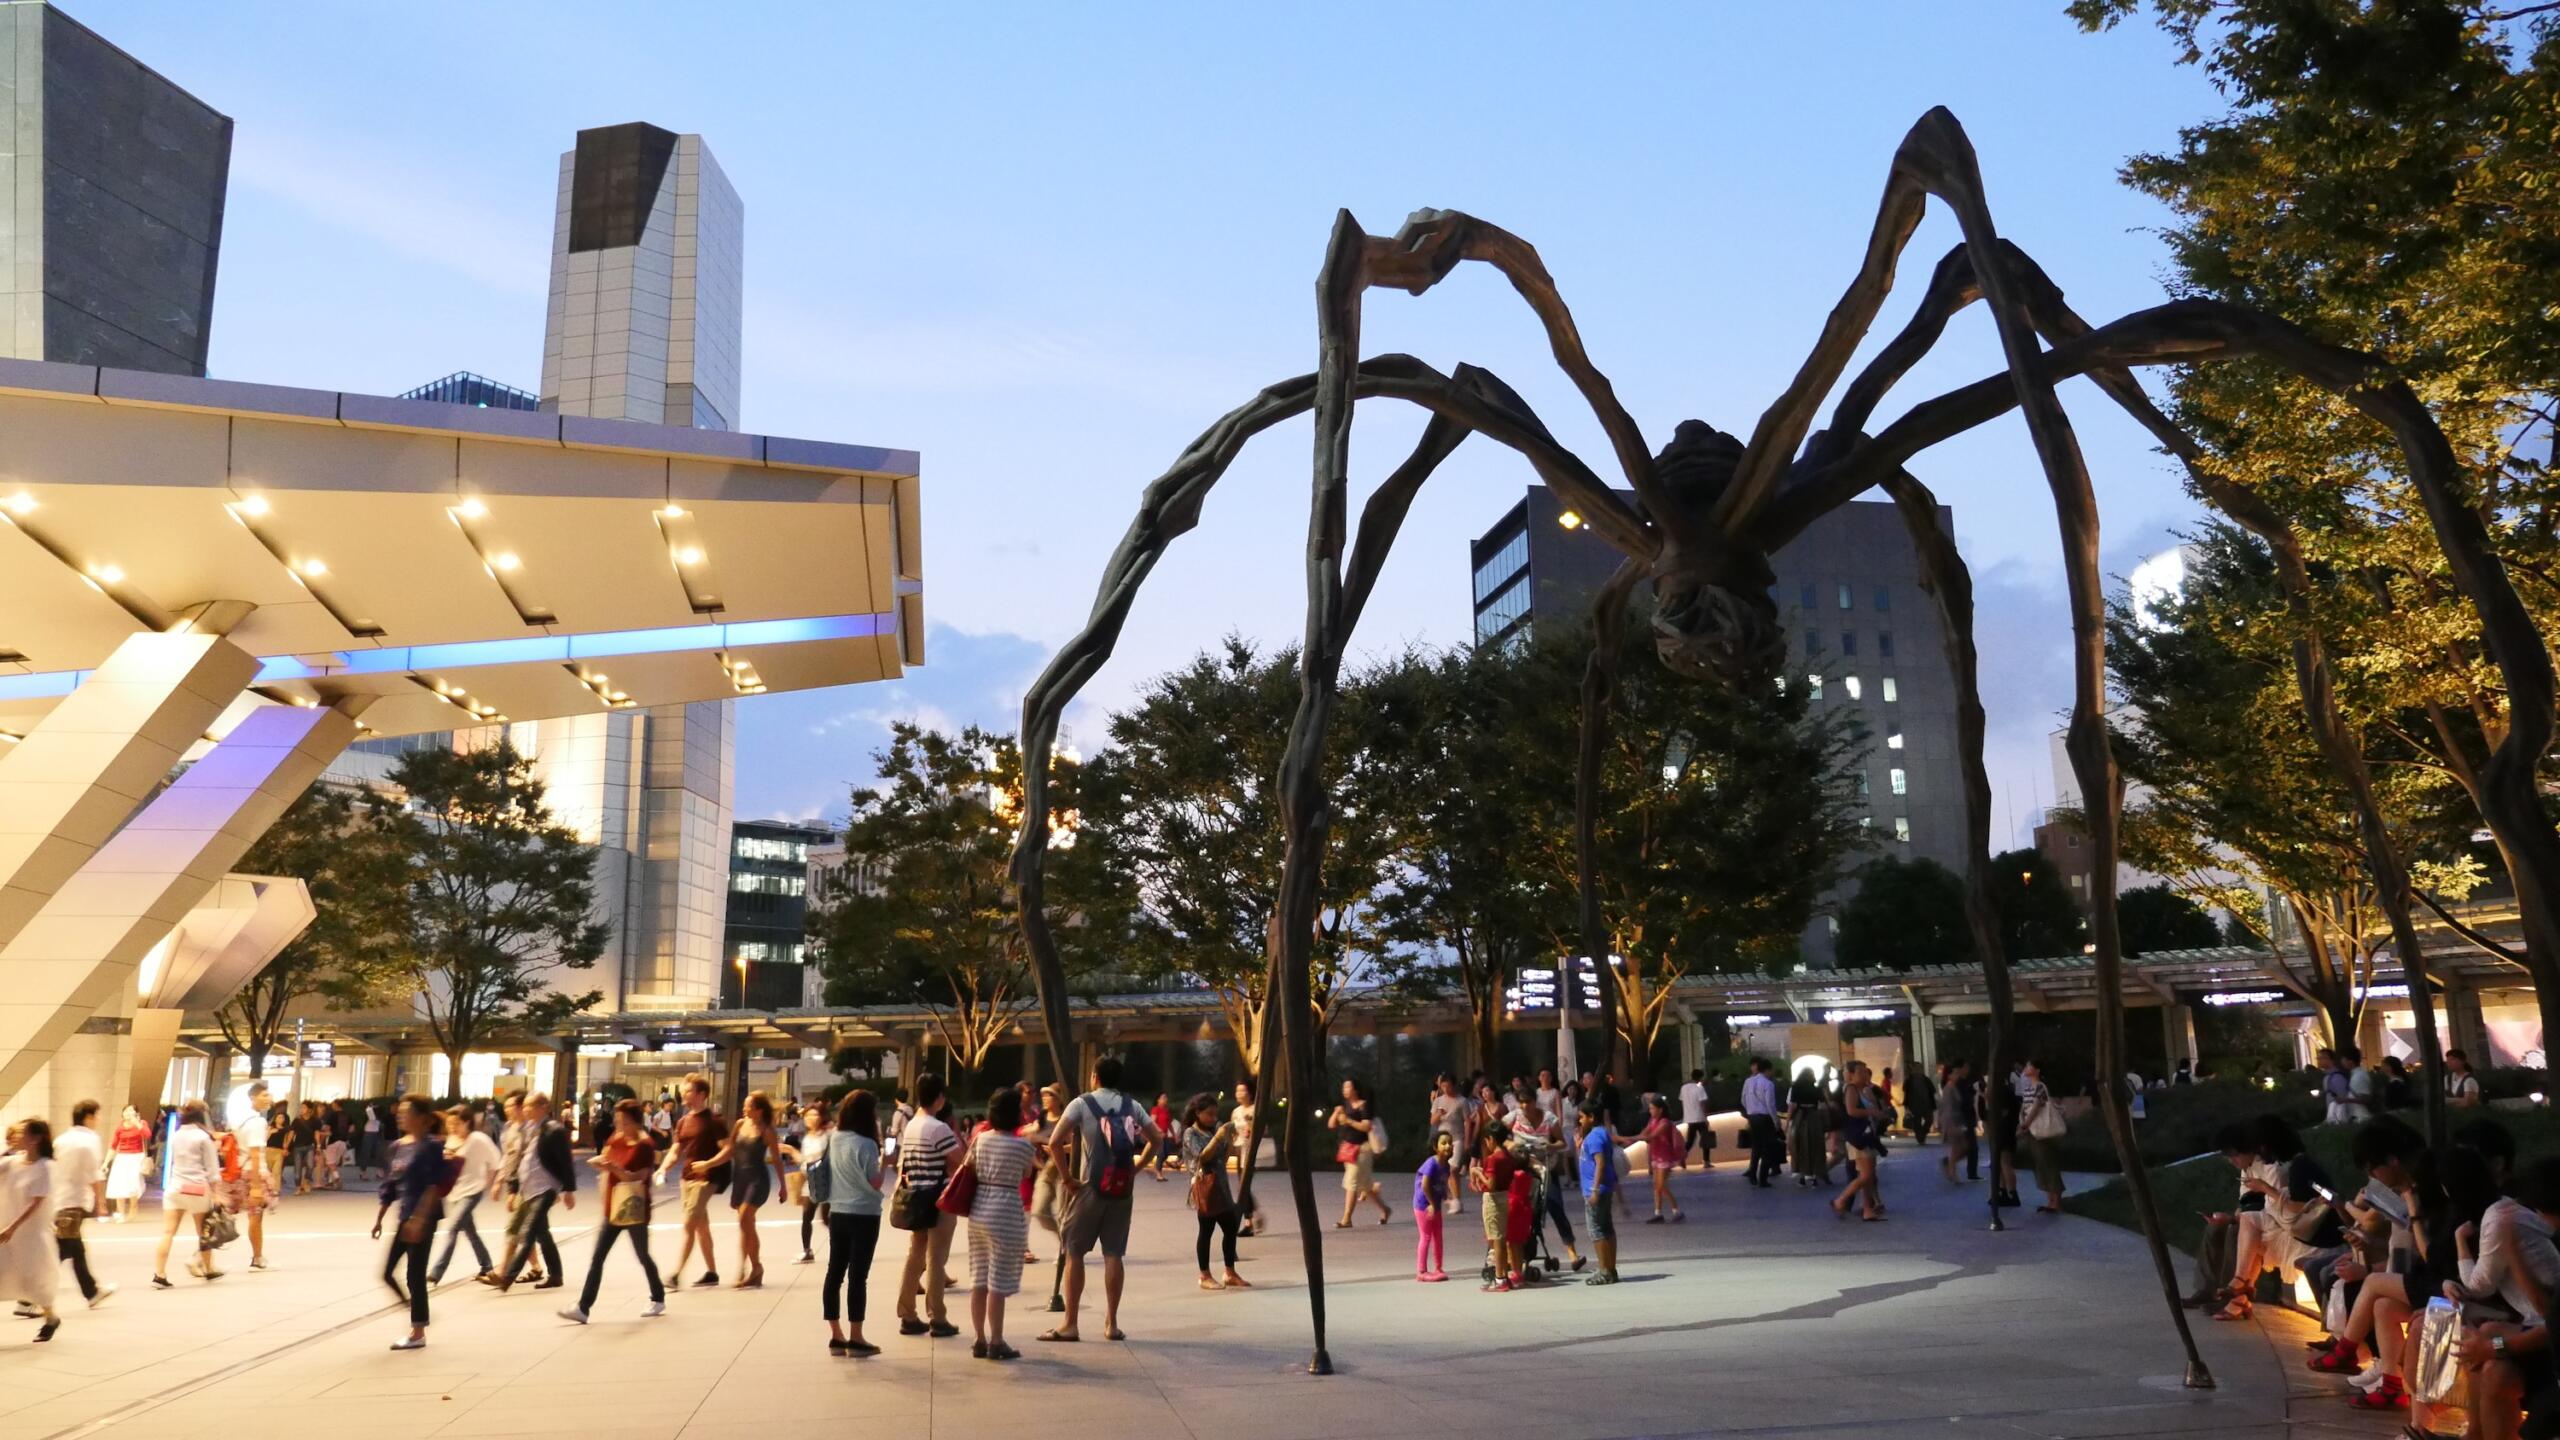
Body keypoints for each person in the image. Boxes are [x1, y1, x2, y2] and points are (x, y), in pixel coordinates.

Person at [1043, 1056, 1158, 1343]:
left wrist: (1068, 1178)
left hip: (1091, 1187)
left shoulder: (1082, 1104)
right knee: (1114, 1254)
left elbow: (1055, 1142)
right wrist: (1137, 1167)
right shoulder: (1133, 1106)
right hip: (1123, 1189)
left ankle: (1070, 1323)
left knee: (1075, 1251)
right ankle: (1112, 1323)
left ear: (1094, 1076)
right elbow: (1157, 1139)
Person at [560, 1098, 666, 1325]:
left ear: (637, 1122)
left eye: (624, 1122)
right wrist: (602, 1164)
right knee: (598, 1257)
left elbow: (639, 1177)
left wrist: (613, 1168)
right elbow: (607, 1155)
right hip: (613, 1205)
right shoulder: (616, 1139)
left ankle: (658, 1296)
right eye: (618, 1122)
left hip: (634, 1207)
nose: (620, 1126)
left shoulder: (645, 1145)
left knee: (642, 1255)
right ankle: (583, 1307)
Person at [371, 1096, 453, 1351]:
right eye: (400, 1111)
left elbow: (433, 1185)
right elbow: (390, 1185)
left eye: (406, 1112)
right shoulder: (398, 1146)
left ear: (421, 1118)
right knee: (387, 1273)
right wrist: (379, 1218)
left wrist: (419, 1219)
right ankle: (417, 1310)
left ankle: (418, 1331)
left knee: (415, 1274)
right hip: (405, 1215)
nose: (400, 1115)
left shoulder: (431, 1147)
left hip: (424, 1216)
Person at [964, 1088, 1037, 1361]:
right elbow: (1027, 1172)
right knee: (998, 1281)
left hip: (980, 1207)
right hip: (1006, 1208)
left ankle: (979, 1339)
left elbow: (968, 1167)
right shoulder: (1022, 1146)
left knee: (978, 1277)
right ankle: (997, 1340)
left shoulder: (980, 1139)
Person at [817, 1090, 885, 1355]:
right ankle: (857, 1337)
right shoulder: (866, 1144)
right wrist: (887, 1162)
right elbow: (874, 1182)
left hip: (838, 1213)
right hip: (865, 1214)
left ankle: (836, 1335)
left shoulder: (834, 1138)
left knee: (834, 1273)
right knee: (858, 1276)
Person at [893, 1074, 962, 1339]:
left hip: (916, 1199)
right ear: (940, 1098)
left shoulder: (911, 1125)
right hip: (939, 1199)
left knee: (915, 1256)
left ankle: (907, 1314)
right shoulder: (938, 1128)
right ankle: (938, 1317)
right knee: (936, 1259)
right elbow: (959, 1161)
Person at [495, 1092, 575, 1292]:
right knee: (542, 1233)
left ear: (544, 1107)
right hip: (528, 1188)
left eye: (531, 1106)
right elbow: (517, 1159)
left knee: (528, 1230)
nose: (526, 1109)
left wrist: (568, 1190)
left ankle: (508, 1276)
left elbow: (566, 1162)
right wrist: (513, 1186)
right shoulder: (526, 1129)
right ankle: (556, 1275)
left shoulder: (554, 1130)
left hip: (546, 1187)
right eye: (525, 1106)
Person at [657, 1075, 730, 1289]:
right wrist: (663, 1168)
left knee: (689, 1223)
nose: (683, 1094)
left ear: (701, 1095)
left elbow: (728, 1149)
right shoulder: (682, 1122)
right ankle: (712, 1272)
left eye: (688, 1091)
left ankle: (676, 1274)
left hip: (706, 1179)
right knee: (701, 1226)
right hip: (687, 1178)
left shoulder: (714, 1121)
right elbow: (676, 1150)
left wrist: (708, 1164)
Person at [700, 1090, 778, 1289]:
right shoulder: (740, 1124)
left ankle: (756, 1267)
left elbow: (777, 1159)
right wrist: (708, 1164)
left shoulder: (767, 1130)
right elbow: (729, 1150)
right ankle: (747, 1269)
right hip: (741, 1179)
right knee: (745, 1225)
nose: (744, 1109)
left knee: (745, 1217)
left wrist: (784, 1188)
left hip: (758, 1180)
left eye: (748, 1106)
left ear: (759, 1110)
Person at [425, 1107, 500, 1285]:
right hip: (453, 1193)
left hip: (472, 1191)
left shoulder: (478, 1139)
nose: (452, 1127)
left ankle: (436, 1272)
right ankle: (487, 1267)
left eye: (456, 1123)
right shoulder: (450, 1140)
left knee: (452, 1228)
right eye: (449, 1123)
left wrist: (493, 1182)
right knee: (471, 1233)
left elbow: (496, 1160)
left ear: (467, 1122)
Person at [0, 1120, 60, 1341]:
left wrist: (11, 1228)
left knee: (35, 1279)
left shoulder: (45, 1166)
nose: (17, 1136)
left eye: (22, 1133)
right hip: (7, 1232)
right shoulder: (13, 1161)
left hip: (31, 1234)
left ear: (35, 1139)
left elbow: (35, 1203)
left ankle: (51, 1318)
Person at [153, 1101, 223, 1285]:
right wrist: (217, 1194)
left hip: (175, 1187)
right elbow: (212, 1169)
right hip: (197, 1188)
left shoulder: (176, 1135)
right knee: (203, 1232)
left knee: (168, 1232)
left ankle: (159, 1274)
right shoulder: (203, 1137)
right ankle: (208, 1269)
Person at [48, 1101, 109, 1309]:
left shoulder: (61, 1140)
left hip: (60, 1199)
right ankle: (29, 1297)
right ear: (89, 1117)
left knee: (72, 1248)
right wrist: (101, 1203)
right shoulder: (90, 1141)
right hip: (75, 1201)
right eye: (97, 1115)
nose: (99, 1120)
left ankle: (91, 1291)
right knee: (65, 1249)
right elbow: (94, 1174)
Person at [1832, 1060, 1890, 1223]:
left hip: (1867, 1135)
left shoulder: (1863, 1090)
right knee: (1866, 1175)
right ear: (1850, 1075)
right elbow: (1851, 1110)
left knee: (1868, 1175)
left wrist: (1878, 1113)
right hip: (1858, 1136)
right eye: (1860, 1072)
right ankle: (1841, 1200)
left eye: (1865, 1072)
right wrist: (1870, 1111)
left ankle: (1867, 1209)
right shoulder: (1850, 1089)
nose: (1864, 1075)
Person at [1329, 1078, 1390, 1227]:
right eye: (1343, 1087)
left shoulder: (1364, 1106)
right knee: (1366, 1186)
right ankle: (1385, 1210)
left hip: (1362, 1150)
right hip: (1348, 1149)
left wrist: (1348, 1120)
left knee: (1351, 1182)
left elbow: (1366, 1127)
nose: (1344, 1090)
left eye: (1348, 1087)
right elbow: (1331, 1125)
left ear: (1355, 1090)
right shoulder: (1345, 1106)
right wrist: (1336, 1113)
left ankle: (1347, 1219)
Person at [1575, 1102, 1621, 1285]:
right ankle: (1610, 1268)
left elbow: (1600, 1163)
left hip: (1596, 1190)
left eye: (1582, 1117)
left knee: (1597, 1230)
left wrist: (1594, 1189)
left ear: (1592, 1117)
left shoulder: (1594, 1137)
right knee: (1606, 1228)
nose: (1579, 1120)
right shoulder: (1602, 1133)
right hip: (1605, 1188)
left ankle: (1604, 1270)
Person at [233, 1082, 275, 1270]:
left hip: (241, 1171)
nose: (269, 1098)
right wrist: (257, 1186)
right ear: (252, 1098)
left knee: (228, 1215)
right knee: (255, 1217)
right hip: (254, 1173)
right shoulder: (258, 1122)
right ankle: (257, 1257)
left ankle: (202, 1254)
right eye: (264, 1095)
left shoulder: (240, 1120)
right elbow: (256, 1154)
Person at [2018, 1060, 2066, 1215]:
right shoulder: (2027, 1088)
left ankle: (2056, 1201)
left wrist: (2025, 1124)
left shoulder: (2040, 1086)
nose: (2026, 1068)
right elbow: (2026, 1108)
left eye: (2029, 1066)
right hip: (2033, 1131)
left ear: (2037, 1070)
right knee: (2041, 1164)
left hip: (2042, 1131)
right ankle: (2050, 1199)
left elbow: (2037, 1107)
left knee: (2048, 1163)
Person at [1413, 1131, 1456, 1282]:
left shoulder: (1446, 1166)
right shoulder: (1431, 1163)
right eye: (1443, 1143)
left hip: (1434, 1204)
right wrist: (1431, 1204)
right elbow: (1425, 1185)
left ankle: (1438, 1267)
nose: (1448, 1146)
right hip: (1423, 1205)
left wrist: (1446, 1198)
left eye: (1450, 1143)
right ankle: (1422, 1271)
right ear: (1435, 1147)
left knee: (1438, 1236)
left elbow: (1442, 1183)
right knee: (1426, 1236)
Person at [795, 1103, 831, 1265]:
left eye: (815, 1115)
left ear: (822, 1117)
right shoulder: (807, 1138)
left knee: (827, 1219)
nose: (810, 1119)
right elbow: (804, 1161)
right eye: (808, 1116)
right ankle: (806, 1250)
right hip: (810, 1182)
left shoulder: (828, 1135)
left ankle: (848, 1245)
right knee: (806, 1217)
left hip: (826, 1182)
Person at [1639, 1096, 1685, 1223]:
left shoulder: (1664, 1123)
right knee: (1658, 1186)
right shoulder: (1652, 1121)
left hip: (1664, 1156)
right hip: (1656, 1155)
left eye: (1652, 1108)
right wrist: (1641, 1136)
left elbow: (1653, 1135)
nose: (1650, 1111)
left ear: (1660, 1109)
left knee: (1661, 1185)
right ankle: (1658, 1212)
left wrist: (1631, 1139)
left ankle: (1676, 1210)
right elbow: (1645, 1133)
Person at [1785, 1063, 1831, 1187]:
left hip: (1800, 1118)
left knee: (1800, 1146)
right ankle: (1816, 1175)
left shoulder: (1795, 1088)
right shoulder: (1816, 1089)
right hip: (1814, 1118)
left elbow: (1792, 1106)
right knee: (1816, 1146)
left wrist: (1788, 1123)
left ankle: (1803, 1176)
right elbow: (1824, 1104)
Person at [1738, 1058, 1780, 1188]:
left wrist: (1750, 1111)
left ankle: (1752, 1173)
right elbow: (1770, 1104)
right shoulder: (1768, 1084)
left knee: (1756, 1146)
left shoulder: (1748, 1081)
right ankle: (1763, 1178)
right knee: (1767, 1148)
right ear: (1767, 1069)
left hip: (1753, 1117)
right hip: (1765, 1118)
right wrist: (1776, 1121)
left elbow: (1743, 1099)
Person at [106, 1105, 148, 1223]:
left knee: (132, 1185)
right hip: (122, 1158)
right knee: (119, 1184)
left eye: (131, 1111)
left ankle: (133, 1208)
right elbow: (114, 1145)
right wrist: (105, 1163)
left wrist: (137, 1123)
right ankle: (120, 1212)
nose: (128, 1113)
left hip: (136, 1157)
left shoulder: (141, 1123)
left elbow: (147, 1134)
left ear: (136, 1113)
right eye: (126, 1111)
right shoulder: (120, 1127)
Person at [1939, 1061, 1978, 1183]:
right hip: (1952, 1121)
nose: (1957, 1075)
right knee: (1959, 1147)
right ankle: (1952, 1171)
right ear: (1949, 1075)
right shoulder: (1949, 1088)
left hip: (1957, 1120)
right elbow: (1948, 1108)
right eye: (1955, 1073)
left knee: (1963, 1147)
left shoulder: (1953, 1087)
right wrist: (1952, 1124)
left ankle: (1950, 1166)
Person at [1676, 1069, 1714, 1170]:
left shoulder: (1683, 1087)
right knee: (1705, 1139)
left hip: (1689, 1117)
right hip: (1699, 1117)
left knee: (1690, 1141)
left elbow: (1682, 1100)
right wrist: (1706, 1117)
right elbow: (1702, 1103)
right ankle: (1706, 1161)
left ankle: (1681, 1157)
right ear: (1700, 1077)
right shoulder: (1699, 1087)